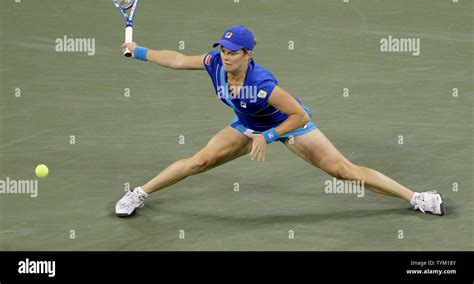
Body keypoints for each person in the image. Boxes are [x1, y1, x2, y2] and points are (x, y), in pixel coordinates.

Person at [115, 25, 446, 217]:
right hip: (246, 124)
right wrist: (139, 50)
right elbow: (176, 59)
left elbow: (299, 114)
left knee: (344, 171)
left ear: (248, 54)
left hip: (289, 125)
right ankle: (139, 193)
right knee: (199, 161)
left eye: (232, 51)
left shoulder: (263, 84)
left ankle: (416, 197)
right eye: (223, 49)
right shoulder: (214, 62)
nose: (225, 55)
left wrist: (269, 136)